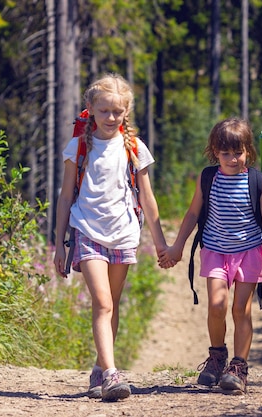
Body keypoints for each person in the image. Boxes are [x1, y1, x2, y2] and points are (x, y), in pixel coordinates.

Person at [53, 73, 173, 401]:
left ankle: (98, 367)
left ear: (126, 112)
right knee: (103, 302)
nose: (111, 117)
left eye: (117, 112)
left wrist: (161, 242)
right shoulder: (77, 146)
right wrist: (59, 244)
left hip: (123, 234)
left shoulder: (134, 147)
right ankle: (110, 375)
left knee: (113, 304)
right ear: (90, 108)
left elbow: (148, 198)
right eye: (104, 110)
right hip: (87, 231)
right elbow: (65, 197)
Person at [161, 117, 262, 395]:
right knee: (217, 305)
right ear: (214, 152)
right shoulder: (208, 178)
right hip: (216, 252)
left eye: (238, 152)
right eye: (225, 153)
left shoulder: (257, 181)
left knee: (241, 310)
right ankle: (217, 357)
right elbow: (193, 213)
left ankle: (239, 368)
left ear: (248, 151)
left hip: (250, 252)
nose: (232, 159)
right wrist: (177, 246)